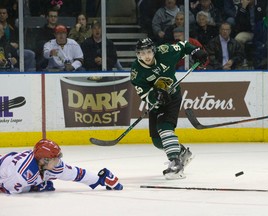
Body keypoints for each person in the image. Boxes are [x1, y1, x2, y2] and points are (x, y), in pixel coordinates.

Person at [130, 37, 207, 180]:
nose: (146, 56)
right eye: (142, 53)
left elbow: (183, 46)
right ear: (138, 55)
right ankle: (182, 152)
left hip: (172, 97)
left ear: (153, 51)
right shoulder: (136, 71)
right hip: (156, 103)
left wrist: (195, 51)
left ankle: (176, 164)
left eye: (148, 52)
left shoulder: (165, 52)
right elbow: (144, 93)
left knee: (165, 128)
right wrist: (154, 97)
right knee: (158, 141)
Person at [0, 139, 123, 194]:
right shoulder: (22, 174)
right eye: (55, 158)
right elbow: (5, 188)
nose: (59, 161)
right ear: (44, 160)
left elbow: (76, 174)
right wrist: (34, 187)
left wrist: (100, 179)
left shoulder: (51, 165)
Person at [0, 6, 35, 71]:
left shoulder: (12, 27)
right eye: (0, 13)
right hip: (4, 50)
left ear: (7, 15)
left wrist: (17, 44)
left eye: (3, 13)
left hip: (11, 49)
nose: (1, 15)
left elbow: (19, 39)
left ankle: (27, 74)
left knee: (30, 54)